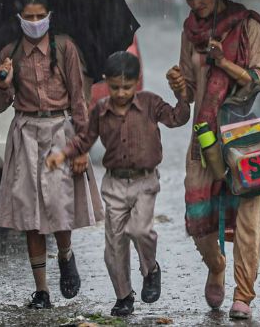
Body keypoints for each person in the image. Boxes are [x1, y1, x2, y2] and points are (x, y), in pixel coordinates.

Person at [167, 0, 260, 321]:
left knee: (248, 212)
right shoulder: (189, 31)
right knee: (197, 209)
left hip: (248, 133)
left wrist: (223, 63)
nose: (196, 4)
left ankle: (244, 293)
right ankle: (216, 265)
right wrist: (180, 86)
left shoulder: (248, 25)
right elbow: (190, 96)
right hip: (205, 134)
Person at [46, 51, 190, 317]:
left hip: (145, 181)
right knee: (114, 244)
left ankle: (151, 269)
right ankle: (123, 296)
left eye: (127, 87)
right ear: (106, 83)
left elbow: (177, 118)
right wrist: (63, 154)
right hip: (114, 184)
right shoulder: (101, 111)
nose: (121, 93)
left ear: (137, 82)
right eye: (115, 87)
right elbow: (84, 140)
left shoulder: (150, 103)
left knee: (140, 230)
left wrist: (181, 95)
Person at [0, 0, 103, 309]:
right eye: (29, 16)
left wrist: (81, 147)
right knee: (30, 215)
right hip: (24, 134)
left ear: (50, 15)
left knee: (59, 206)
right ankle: (42, 291)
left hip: (60, 133)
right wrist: (3, 82)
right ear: (18, 17)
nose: (35, 21)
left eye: (41, 15)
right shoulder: (9, 54)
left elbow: (79, 100)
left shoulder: (65, 48)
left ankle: (66, 255)